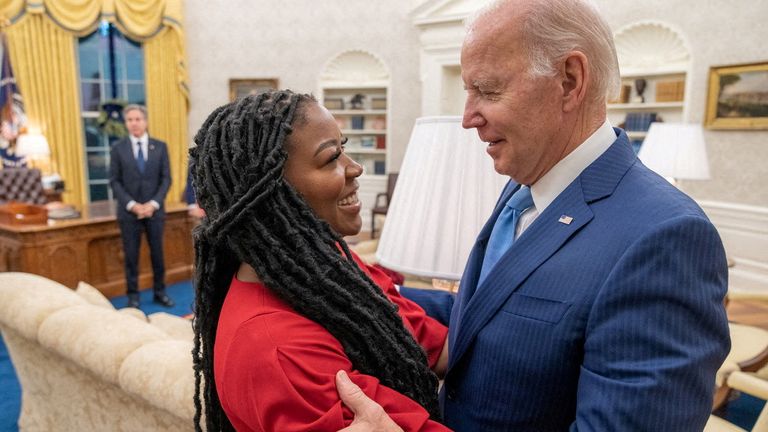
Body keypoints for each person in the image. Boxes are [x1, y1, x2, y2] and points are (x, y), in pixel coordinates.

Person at [336, 0, 730, 430]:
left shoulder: (665, 237)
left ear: (569, 80)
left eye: (487, 91)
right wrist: (347, 284)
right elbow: (491, 312)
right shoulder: (524, 185)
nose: (468, 118)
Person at [189, 90, 450, 431]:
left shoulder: (332, 268)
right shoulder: (279, 351)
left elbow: (439, 346)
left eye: (343, 149)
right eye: (331, 159)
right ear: (273, 197)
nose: (355, 168)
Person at [109, 104, 174, 309]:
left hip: (154, 212)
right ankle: (133, 296)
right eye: (130, 120)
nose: (134, 123)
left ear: (145, 121)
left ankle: (160, 292)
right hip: (129, 214)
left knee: (157, 254)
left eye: (137, 119)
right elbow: (114, 181)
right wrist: (133, 205)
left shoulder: (160, 146)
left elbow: (166, 179)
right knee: (131, 256)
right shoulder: (118, 149)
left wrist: (153, 204)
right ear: (126, 123)